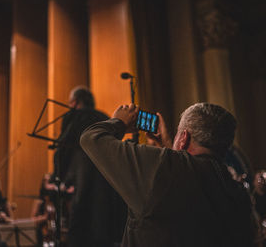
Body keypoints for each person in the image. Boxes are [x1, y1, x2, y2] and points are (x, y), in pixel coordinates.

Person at [80, 102, 255, 247]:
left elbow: (91, 138)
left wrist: (119, 122)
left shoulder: (163, 166)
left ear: (184, 137)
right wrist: (168, 146)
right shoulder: (238, 194)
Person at [54, 86, 126, 247]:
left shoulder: (73, 116)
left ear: (75, 102)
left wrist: (59, 175)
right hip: (109, 181)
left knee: (81, 229)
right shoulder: (105, 117)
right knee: (104, 229)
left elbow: (63, 147)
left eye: (70, 102)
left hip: (84, 180)